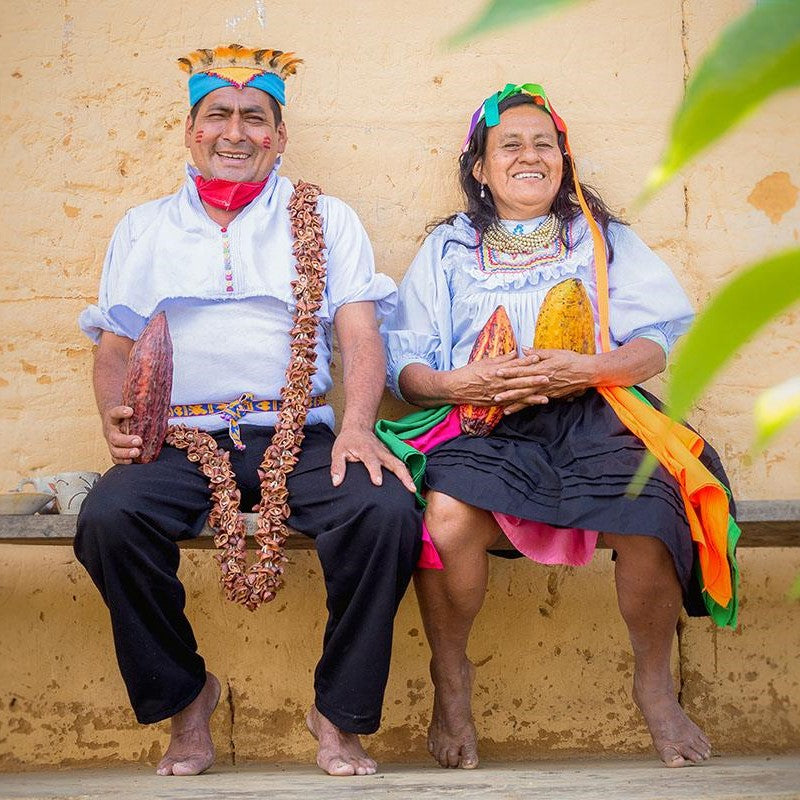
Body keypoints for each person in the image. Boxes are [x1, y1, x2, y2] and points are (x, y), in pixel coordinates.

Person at [74, 43, 420, 778]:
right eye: (219, 115)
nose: (236, 132)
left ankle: (340, 711)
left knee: (384, 512)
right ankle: (186, 698)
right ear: (191, 130)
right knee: (109, 520)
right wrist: (115, 414)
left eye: (255, 118)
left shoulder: (325, 218)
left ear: (280, 136)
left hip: (298, 434)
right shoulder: (145, 227)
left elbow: (360, 332)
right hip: (181, 439)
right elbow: (114, 346)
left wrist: (357, 424)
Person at [381, 83, 738, 770]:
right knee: (447, 519)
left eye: (545, 144)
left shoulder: (602, 240)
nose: (530, 156)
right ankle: (451, 679)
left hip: (596, 413)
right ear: (480, 168)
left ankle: (654, 686)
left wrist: (588, 367)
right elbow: (408, 366)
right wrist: (461, 383)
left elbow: (656, 340)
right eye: (509, 145)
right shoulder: (449, 248)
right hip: (481, 422)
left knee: (655, 507)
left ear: (563, 160)